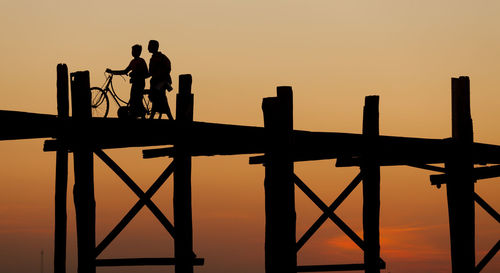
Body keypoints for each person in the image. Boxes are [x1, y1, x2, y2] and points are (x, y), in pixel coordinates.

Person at [106, 44, 149, 118]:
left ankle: (141, 113)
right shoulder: (133, 61)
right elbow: (125, 71)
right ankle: (137, 113)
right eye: (132, 51)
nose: (132, 52)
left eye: (134, 51)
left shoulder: (141, 61)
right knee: (134, 99)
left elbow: (146, 73)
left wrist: (135, 74)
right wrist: (112, 71)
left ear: (138, 52)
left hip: (139, 83)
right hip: (135, 83)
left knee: (136, 99)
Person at [147, 40, 174, 120]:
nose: (148, 47)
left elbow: (166, 69)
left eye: (150, 46)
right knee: (160, 98)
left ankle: (168, 117)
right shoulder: (157, 57)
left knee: (160, 97)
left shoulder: (159, 58)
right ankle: (169, 117)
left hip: (161, 82)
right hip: (158, 81)